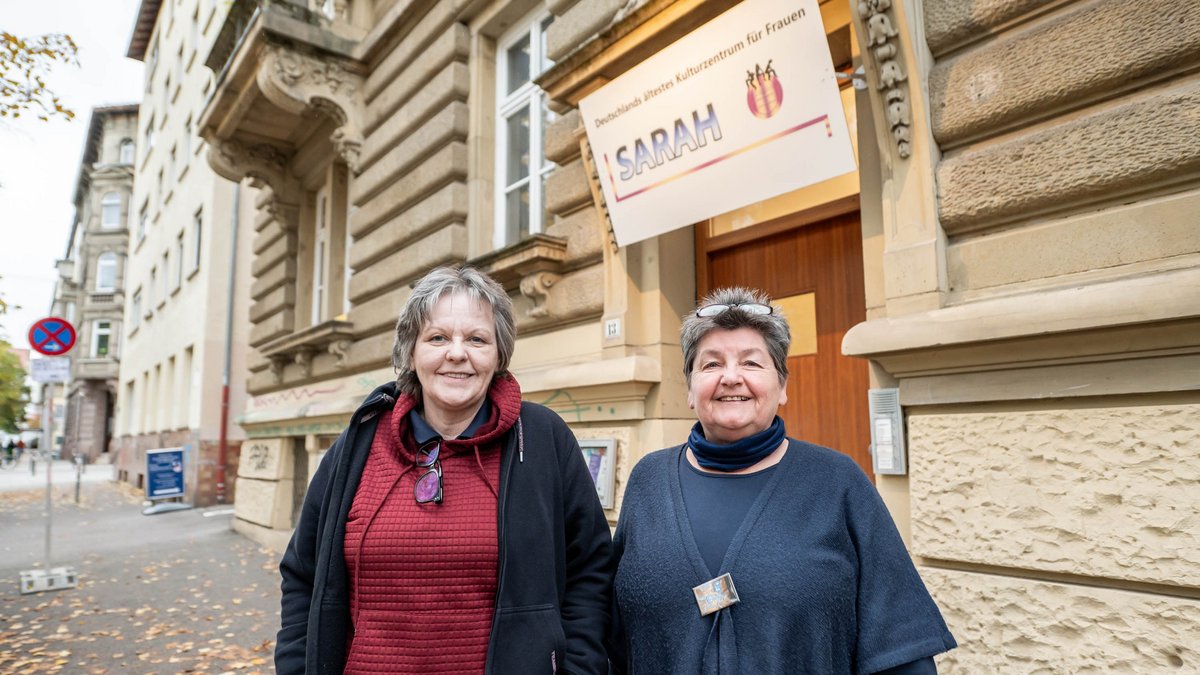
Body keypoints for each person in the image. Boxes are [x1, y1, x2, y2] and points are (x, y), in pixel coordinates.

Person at [276, 265, 613, 674]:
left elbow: (589, 570)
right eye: (437, 338)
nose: (457, 353)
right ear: (411, 352)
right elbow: (303, 574)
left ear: (498, 354)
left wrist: (579, 668)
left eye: (476, 339)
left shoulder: (542, 440)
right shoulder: (360, 443)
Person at [609, 287, 956, 674]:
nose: (731, 377)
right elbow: (613, 637)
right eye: (710, 365)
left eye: (752, 363)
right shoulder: (648, 482)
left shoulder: (837, 483)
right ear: (690, 389)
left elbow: (900, 653)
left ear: (783, 385)